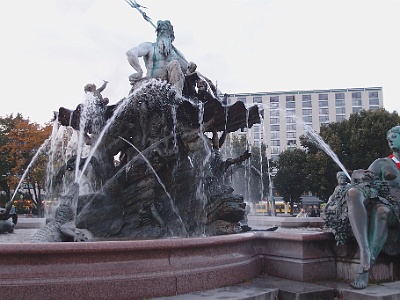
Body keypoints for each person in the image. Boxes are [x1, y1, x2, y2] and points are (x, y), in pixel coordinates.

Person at [344, 125, 400, 289]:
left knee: (381, 210)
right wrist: (357, 174)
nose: (390, 139)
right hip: (389, 206)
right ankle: (365, 256)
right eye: (388, 137)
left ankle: (367, 262)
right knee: (373, 205)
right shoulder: (382, 163)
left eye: (395, 135)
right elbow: (364, 176)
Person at [126, 20, 217, 98]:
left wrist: (203, 77)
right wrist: (139, 71)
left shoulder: (176, 55)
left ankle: (177, 98)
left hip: (169, 86)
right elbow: (131, 53)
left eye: (166, 33)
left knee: (175, 63)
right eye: (161, 32)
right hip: (152, 82)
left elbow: (191, 71)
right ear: (158, 35)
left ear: (171, 38)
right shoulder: (149, 47)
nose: (163, 35)